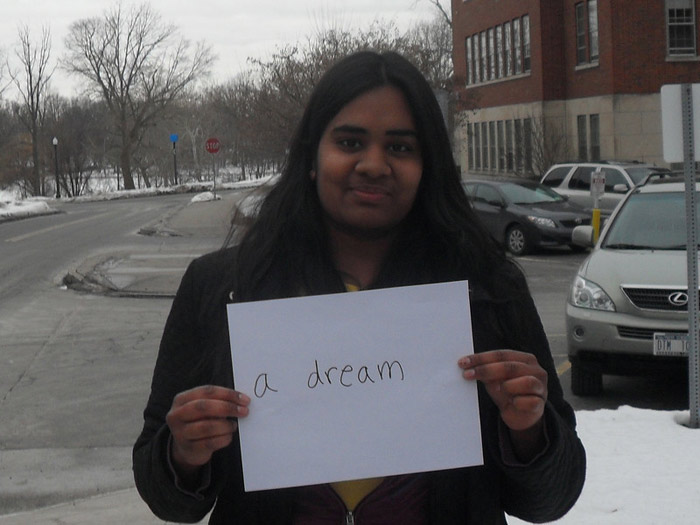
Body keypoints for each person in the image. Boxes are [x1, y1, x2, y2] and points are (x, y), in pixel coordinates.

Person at [133, 50, 586, 524]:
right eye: (350, 142)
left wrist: (530, 432)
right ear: (311, 157)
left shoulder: (487, 289)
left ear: (428, 165)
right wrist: (183, 454)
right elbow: (165, 496)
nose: (373, 164)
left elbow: (551, 499)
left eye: (401, 147)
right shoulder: (222, 288)